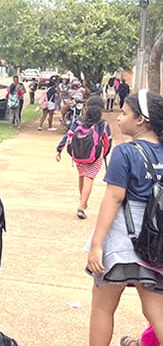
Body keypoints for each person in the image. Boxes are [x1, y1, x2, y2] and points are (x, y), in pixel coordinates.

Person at [86, 90, 163, 346]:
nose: (118, 118)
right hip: (156, 244)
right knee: (156, 313)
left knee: (103, 307)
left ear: (141, 120)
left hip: (122, 240)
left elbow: (114, 198)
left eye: (124, 113)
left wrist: (97, 244)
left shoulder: (125, 152)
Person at [55, 96, 112, 220]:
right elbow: (108, 141)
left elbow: (69, 134)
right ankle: (81, 206)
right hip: (95, 155)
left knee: (82, 175)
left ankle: (83, 201)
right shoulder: (103, 124)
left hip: (78, 153)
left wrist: (59, 149)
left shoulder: (79, 120)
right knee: (89, 178)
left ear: (86, 107)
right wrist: (104, 154)